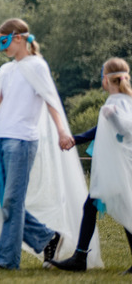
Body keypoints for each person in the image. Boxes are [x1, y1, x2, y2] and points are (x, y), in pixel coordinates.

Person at [0, 18, 82, 271]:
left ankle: (5, 260)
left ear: (18, 38)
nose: (2, 47)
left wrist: (63, 132)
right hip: (5, 141)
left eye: (4, 41)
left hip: (23, 142)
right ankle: (47, 237)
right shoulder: (7, 70)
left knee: (12, 201)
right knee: (6, 201)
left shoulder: (37, 67)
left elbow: (52, 102)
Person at [49, 57, 132, 272]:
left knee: (123, 210)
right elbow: (100, 130)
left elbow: (125, 129)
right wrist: (75, 139)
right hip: (112, 167)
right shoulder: (116, 100)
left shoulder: (120, 102)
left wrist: (112, 117)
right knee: (95, 207)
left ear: (106, 79)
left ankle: (79, 258)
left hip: (118, 168)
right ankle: (80, 257)